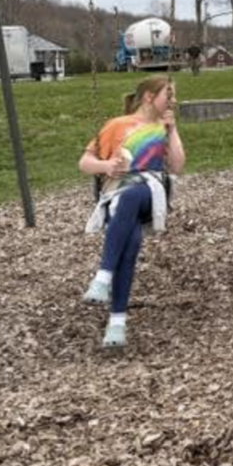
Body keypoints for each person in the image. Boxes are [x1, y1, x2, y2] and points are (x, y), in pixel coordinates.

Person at [79, 75, 186, 348]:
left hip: (151, 192)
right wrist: (106, 167)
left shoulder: (163, 127)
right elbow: (86, 162)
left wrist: (172, 131)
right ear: (150, 97)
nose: (172, 101)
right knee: (130, 243)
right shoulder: (116, 125)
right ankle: (117, 324)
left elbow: (177, 166)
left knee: (131, 197)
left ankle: (103, 277)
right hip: (118, 190)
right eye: (168, 95)